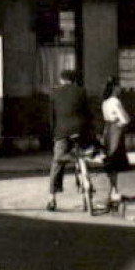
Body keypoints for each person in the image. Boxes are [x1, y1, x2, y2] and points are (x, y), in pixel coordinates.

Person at [46, 68, 91, 212]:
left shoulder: (54, 92)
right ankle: (82, 173)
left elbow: (52, 117)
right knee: (82, 154)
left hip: (62, 132)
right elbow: (87, 113)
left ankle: (52, 198)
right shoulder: (81, 91)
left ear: (61, 79)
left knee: (57, 163)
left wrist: (54, 133)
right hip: (80, 130)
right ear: (74, 79)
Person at [99, 77, 130, 209]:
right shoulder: (115, 101)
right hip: (116, 131)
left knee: (110, 162)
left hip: (107, 130)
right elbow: (125, 119)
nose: (120, 89)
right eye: (119, 86)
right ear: (114, 87)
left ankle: (113, 190)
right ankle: (114, 191)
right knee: (115, 161)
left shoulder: (105, 102)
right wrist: (121, 123)